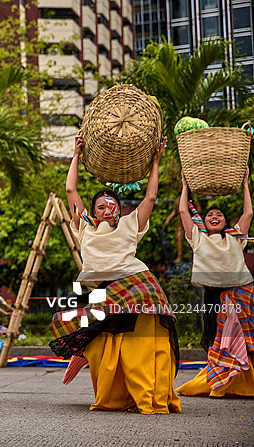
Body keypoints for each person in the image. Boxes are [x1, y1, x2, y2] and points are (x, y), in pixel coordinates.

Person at [49, 131, 180, 414]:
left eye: (112, 205)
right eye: (101, 206)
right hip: (105, 292)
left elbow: (151, 195)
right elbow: (71, 191)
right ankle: (118, 396)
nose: (107, 208)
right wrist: (76, 155)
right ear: (93, 213)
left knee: (137, 349)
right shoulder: (84, 227)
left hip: (137, 286)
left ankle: (145, 399)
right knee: (101, 348)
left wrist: (155, 161)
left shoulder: (130, 223)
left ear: (119, 210)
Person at [177, 169, 254, 397]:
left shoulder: (235, 237)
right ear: (204, 220)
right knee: (215, 340)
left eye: (219, 215)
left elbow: (248, 212)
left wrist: (245, 184)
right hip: (212, 295)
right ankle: (221, 381)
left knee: (246, 341)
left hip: (239, 294)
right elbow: (183, 209)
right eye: (210, 214)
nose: (214, 217)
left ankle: (245, 383)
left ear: (225, 222)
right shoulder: (197, 237)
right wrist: (184, 185)